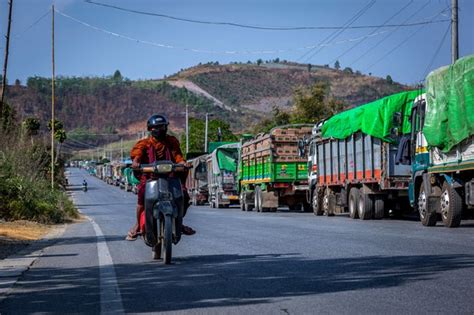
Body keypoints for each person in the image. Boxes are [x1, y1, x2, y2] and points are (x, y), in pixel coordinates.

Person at [126, 114, 195, 241]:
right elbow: (137, 155)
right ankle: (137, 225)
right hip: (150, 178)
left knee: (184, 197)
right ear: (150, 129)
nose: (159, 130)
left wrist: (182, 164)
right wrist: (136, 163)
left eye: (162, 127)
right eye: (156, 127)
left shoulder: (171, 141)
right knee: (141, 196)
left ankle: (179, 222)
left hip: (171, 177)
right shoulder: (144, 143)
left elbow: (178, 156)